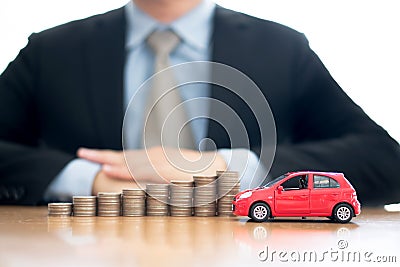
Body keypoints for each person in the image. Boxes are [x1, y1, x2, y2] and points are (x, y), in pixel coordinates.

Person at [0, 0, 399, 206]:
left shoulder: (282, 49)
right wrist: (87, 181)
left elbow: (384, 159)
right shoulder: (51, 51)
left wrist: (225, 166)